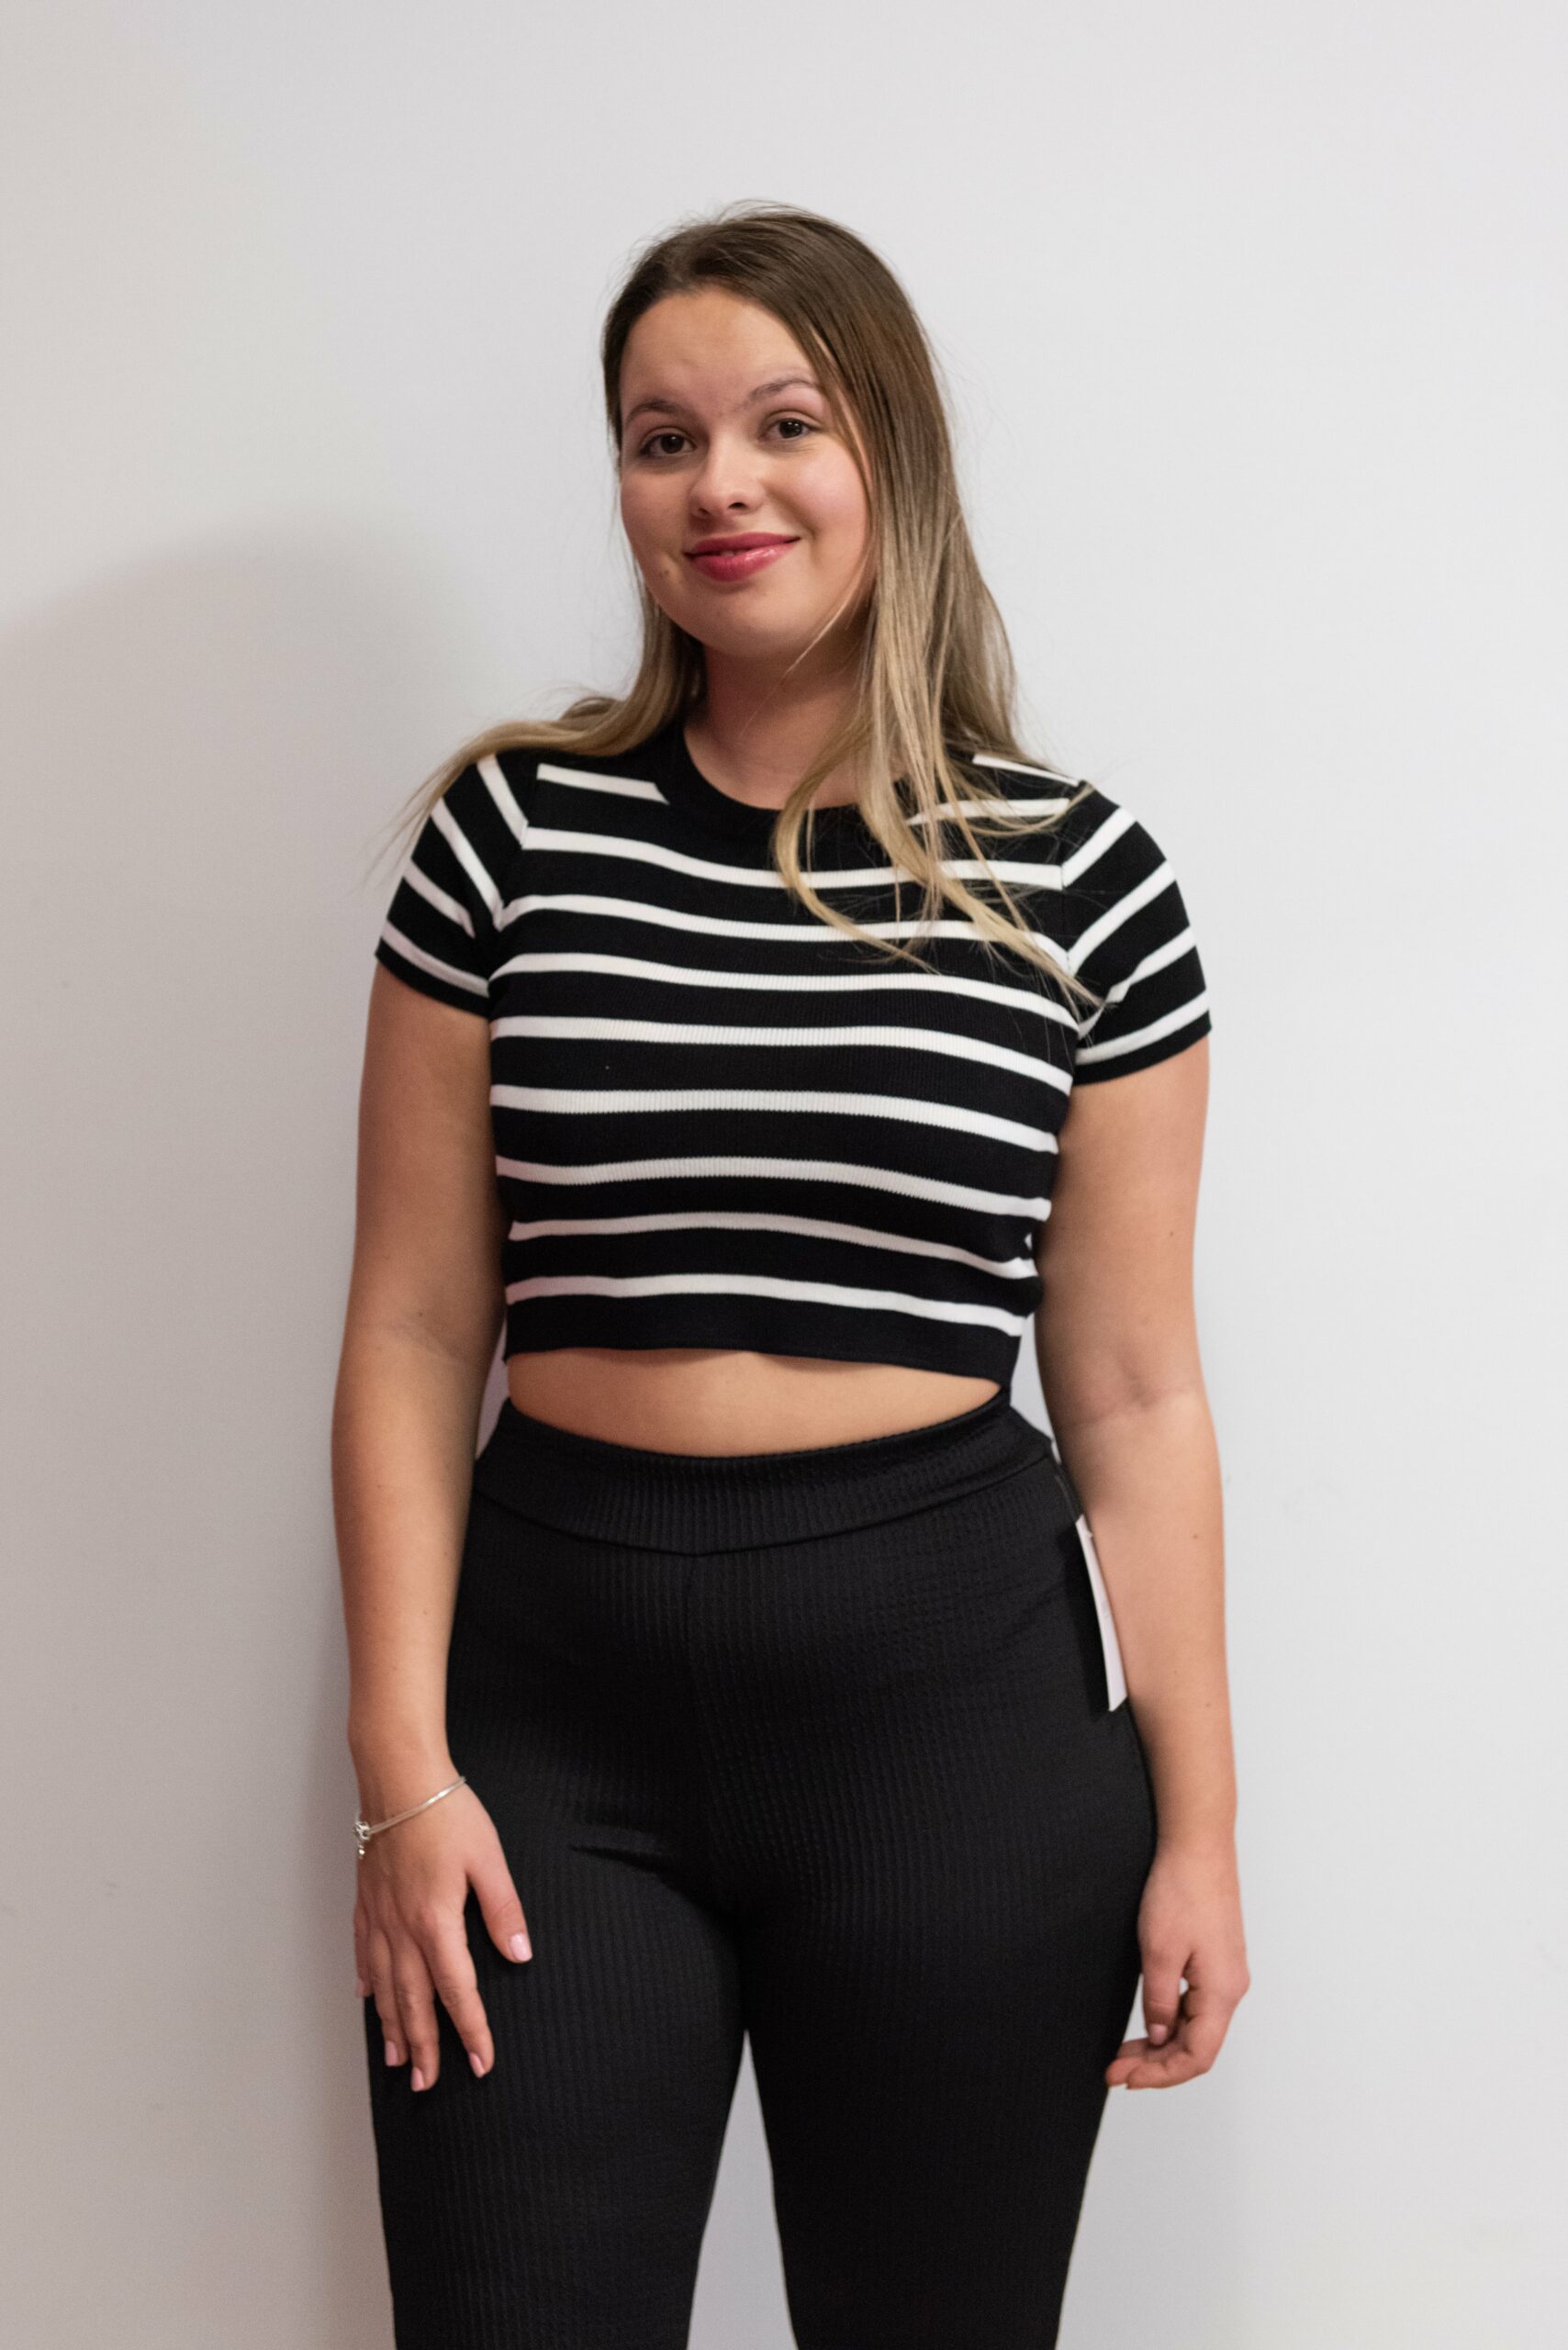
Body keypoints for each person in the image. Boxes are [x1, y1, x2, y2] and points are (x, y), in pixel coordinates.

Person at [332, 199, 1249, 2350]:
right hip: (542, 1724)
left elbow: (1131, 1389)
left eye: (780, 423)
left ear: (886, 456)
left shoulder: (1079, 877)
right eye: (660, 438)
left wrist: (1200, 1826)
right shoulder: (509, 842)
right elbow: (412, 1327)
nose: (717, 484)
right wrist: (400, 1771)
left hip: (958, 1718)